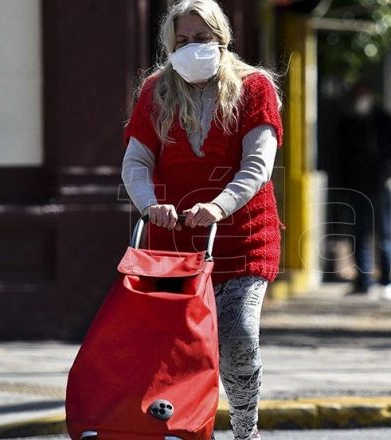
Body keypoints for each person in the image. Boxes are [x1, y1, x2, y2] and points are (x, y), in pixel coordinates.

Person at [120, 1, 282, 439]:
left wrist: (220, 204)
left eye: (202, 39)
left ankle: (245, 431)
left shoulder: (255, 88)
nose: (192, 48)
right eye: (182, 41)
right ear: (169, 46)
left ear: (222, 38)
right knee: (174, 348)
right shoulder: (156, 91)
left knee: (238, 337)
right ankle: (181, 427)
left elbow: (258, 162)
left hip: (244, 239)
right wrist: (149, 201)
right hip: (174, 245)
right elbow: (135, 162)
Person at [336, 84, 391, 300]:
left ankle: (387, 279)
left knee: (384, 232)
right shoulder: (349, 123)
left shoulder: (383, 121)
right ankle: (364, 280)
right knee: (359, 233)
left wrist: (390, 173)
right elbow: (341, 156)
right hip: (356, 187)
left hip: (380, 186)